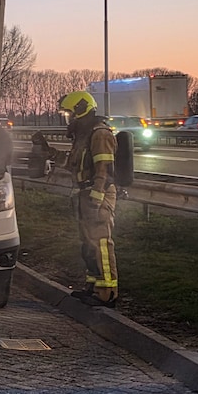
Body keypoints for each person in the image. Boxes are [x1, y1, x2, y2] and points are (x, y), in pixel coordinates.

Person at [58, 91, 119, 307]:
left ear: (81, 110)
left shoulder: (100, 134)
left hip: (97, 194)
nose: (68, 118)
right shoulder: (83, 135)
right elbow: (73, 165)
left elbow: (105, 169)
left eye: (70, 114)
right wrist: (49, 153)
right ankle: (93, 287)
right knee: (88, 243)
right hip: (84, 193)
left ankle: (107, 293)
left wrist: (96, 197)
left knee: (100, 243)